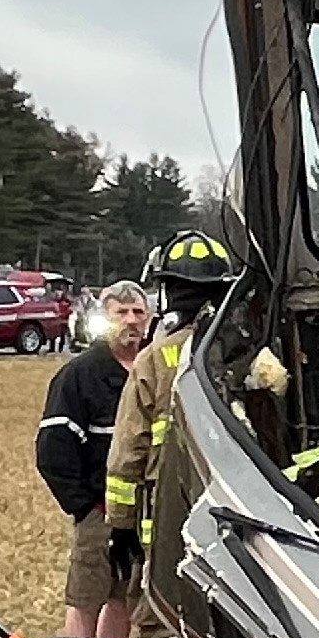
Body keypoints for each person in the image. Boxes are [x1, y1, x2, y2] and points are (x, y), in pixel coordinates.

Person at [103, 230, 239, 591]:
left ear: (167, 292)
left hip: (167, 517)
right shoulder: (246, 352)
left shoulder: (153, 360)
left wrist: (119, 525)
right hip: (239, 516)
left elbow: (127, 453)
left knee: (160, 617)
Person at [39, 279, 151, 638]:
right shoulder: (79, 375)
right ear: (103, 320)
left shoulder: (152, 370)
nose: (131, 321)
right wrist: (86, 507)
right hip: (100, 513)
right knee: (87, 598)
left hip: (143, 514)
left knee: (123, 599)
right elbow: (53, 451)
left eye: (138, 312)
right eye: (121, 313)